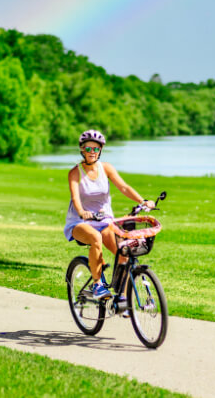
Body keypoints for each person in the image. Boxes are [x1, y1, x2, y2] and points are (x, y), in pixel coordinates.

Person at [64, 129, 154, 300]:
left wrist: (143, 201)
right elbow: (75, 197)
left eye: (95, 149)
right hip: (80, 222)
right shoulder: (75, 172)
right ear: (82, 150)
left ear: (100, 150)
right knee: (95, 238)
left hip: (105, 220)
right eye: (88, 149)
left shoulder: (106, 168)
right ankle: (97, 285)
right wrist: (83, 212)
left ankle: (122, 296)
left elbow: (124, 187)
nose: (92, 152)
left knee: (124, 252)